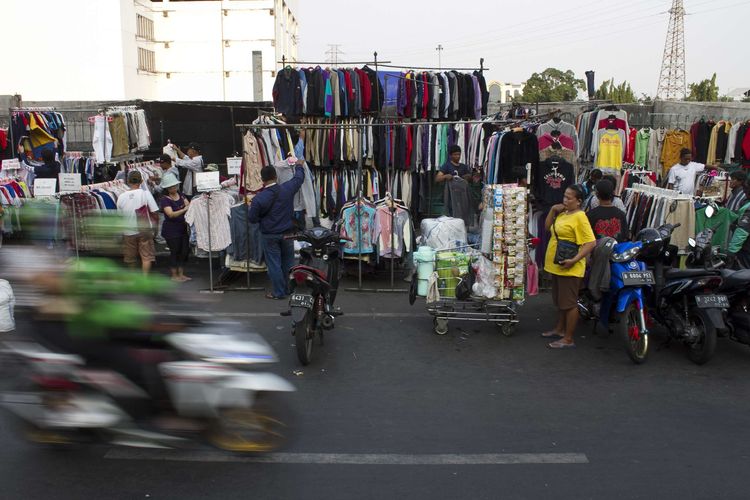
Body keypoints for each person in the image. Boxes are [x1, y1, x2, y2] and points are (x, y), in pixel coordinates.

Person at [542, 185, 596, 348]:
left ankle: (568, 338)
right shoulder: (564, 213)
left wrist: (574, 259)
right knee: (560, 301)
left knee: (569, 303)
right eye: (564, 196)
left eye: (569, 198)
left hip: (570, 267)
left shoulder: (580, 217)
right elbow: (547, 228)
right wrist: (552, 210)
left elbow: (591, 242)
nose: (565, 200)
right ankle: (559, 329)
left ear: (579, 201)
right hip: (558, 265)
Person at [249, 160, 305, 299]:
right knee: (289, 263)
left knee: (274, 264)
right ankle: (289, 289)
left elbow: (252, 219)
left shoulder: (259, 199)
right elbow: (299, 179)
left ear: (262, 180)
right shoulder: (287, 188)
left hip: (269, 235)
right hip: (288, 233)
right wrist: (299, 166)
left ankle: (279, 292)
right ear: (276, 176)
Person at [117, 170, 160, 274]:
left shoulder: (121, 197)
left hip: (128, 230)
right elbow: (155, 212)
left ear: (128, 181)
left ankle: (133, 280)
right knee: (146, 256)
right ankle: (144, 279)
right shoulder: (145, 194)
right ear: (141, 181)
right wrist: (156, 228)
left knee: (130, 258)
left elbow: (120, 216)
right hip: (144, 228)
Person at [159, 173, 191, 282]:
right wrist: (184, 209)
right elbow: (171, 214)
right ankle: (174, 275)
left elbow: (189, 204)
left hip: (182, 228)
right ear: (167, 188)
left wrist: (185, 209)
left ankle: (181, 274)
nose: (174, 188)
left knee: (184, 252)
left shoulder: (181, 195)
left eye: (175, 186)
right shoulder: (165, 200)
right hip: (171, 230)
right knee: (175, 251)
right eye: (171, 186)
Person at [727, 179, 750, 269]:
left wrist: (732, 251)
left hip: (746, 250)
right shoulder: (747, 202)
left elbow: (742, 231)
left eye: (746, 189)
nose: (744, 192)